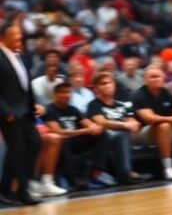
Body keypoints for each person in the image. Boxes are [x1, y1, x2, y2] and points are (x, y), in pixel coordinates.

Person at [0, 22, 42, 205]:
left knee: (35, 144)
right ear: (3, 37)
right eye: (14, 34)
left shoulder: (19, 56)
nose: (19, 38)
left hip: (25, 111)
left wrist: (33, 105)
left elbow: (25, 86)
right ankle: (22, 192)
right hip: (10, 113)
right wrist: (5, 112)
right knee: (18, 151)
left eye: (19, 34)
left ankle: (6, 188)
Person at [43, 82, 115, 190]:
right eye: (62, 92)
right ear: (55, 95)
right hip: (61, 143)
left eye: (68, 92)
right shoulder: (49, 110)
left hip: (76, 140)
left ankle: (97, 172)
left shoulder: (73, 109)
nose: (66, 95)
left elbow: (86, 122)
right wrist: (86, 130)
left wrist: (94, 127)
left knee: (102, 134)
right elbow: (59, 132)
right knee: (64, 139)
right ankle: (69, 178)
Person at [87, 72, 144, 185]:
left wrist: (131, 125)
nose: (107, 86)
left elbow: (133, 122)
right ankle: (125, 172)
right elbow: (101, 122)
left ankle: (125, 172)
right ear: (96, 89)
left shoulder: (122, 105)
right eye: (103, 84)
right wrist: (124, 125)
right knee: (122, 134)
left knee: (125, 134)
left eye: (109, 83)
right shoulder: (94, 104)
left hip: (126, 136)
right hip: (105, 138)